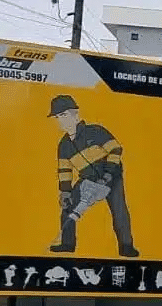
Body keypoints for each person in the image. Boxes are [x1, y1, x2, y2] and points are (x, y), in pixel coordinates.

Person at [49, 94, 138, 257]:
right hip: (87, 179)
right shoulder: (63, 146)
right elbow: (64, 170)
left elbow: (116, 149)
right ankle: (67, 244)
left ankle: (126, 247)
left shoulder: (95, 131)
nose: (60, 120)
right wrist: (65, 192)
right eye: (57, 117)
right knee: (68, 207)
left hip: (112, 176)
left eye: (64, 115)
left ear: (75, 114)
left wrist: (108, 174)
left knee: (119, 209)